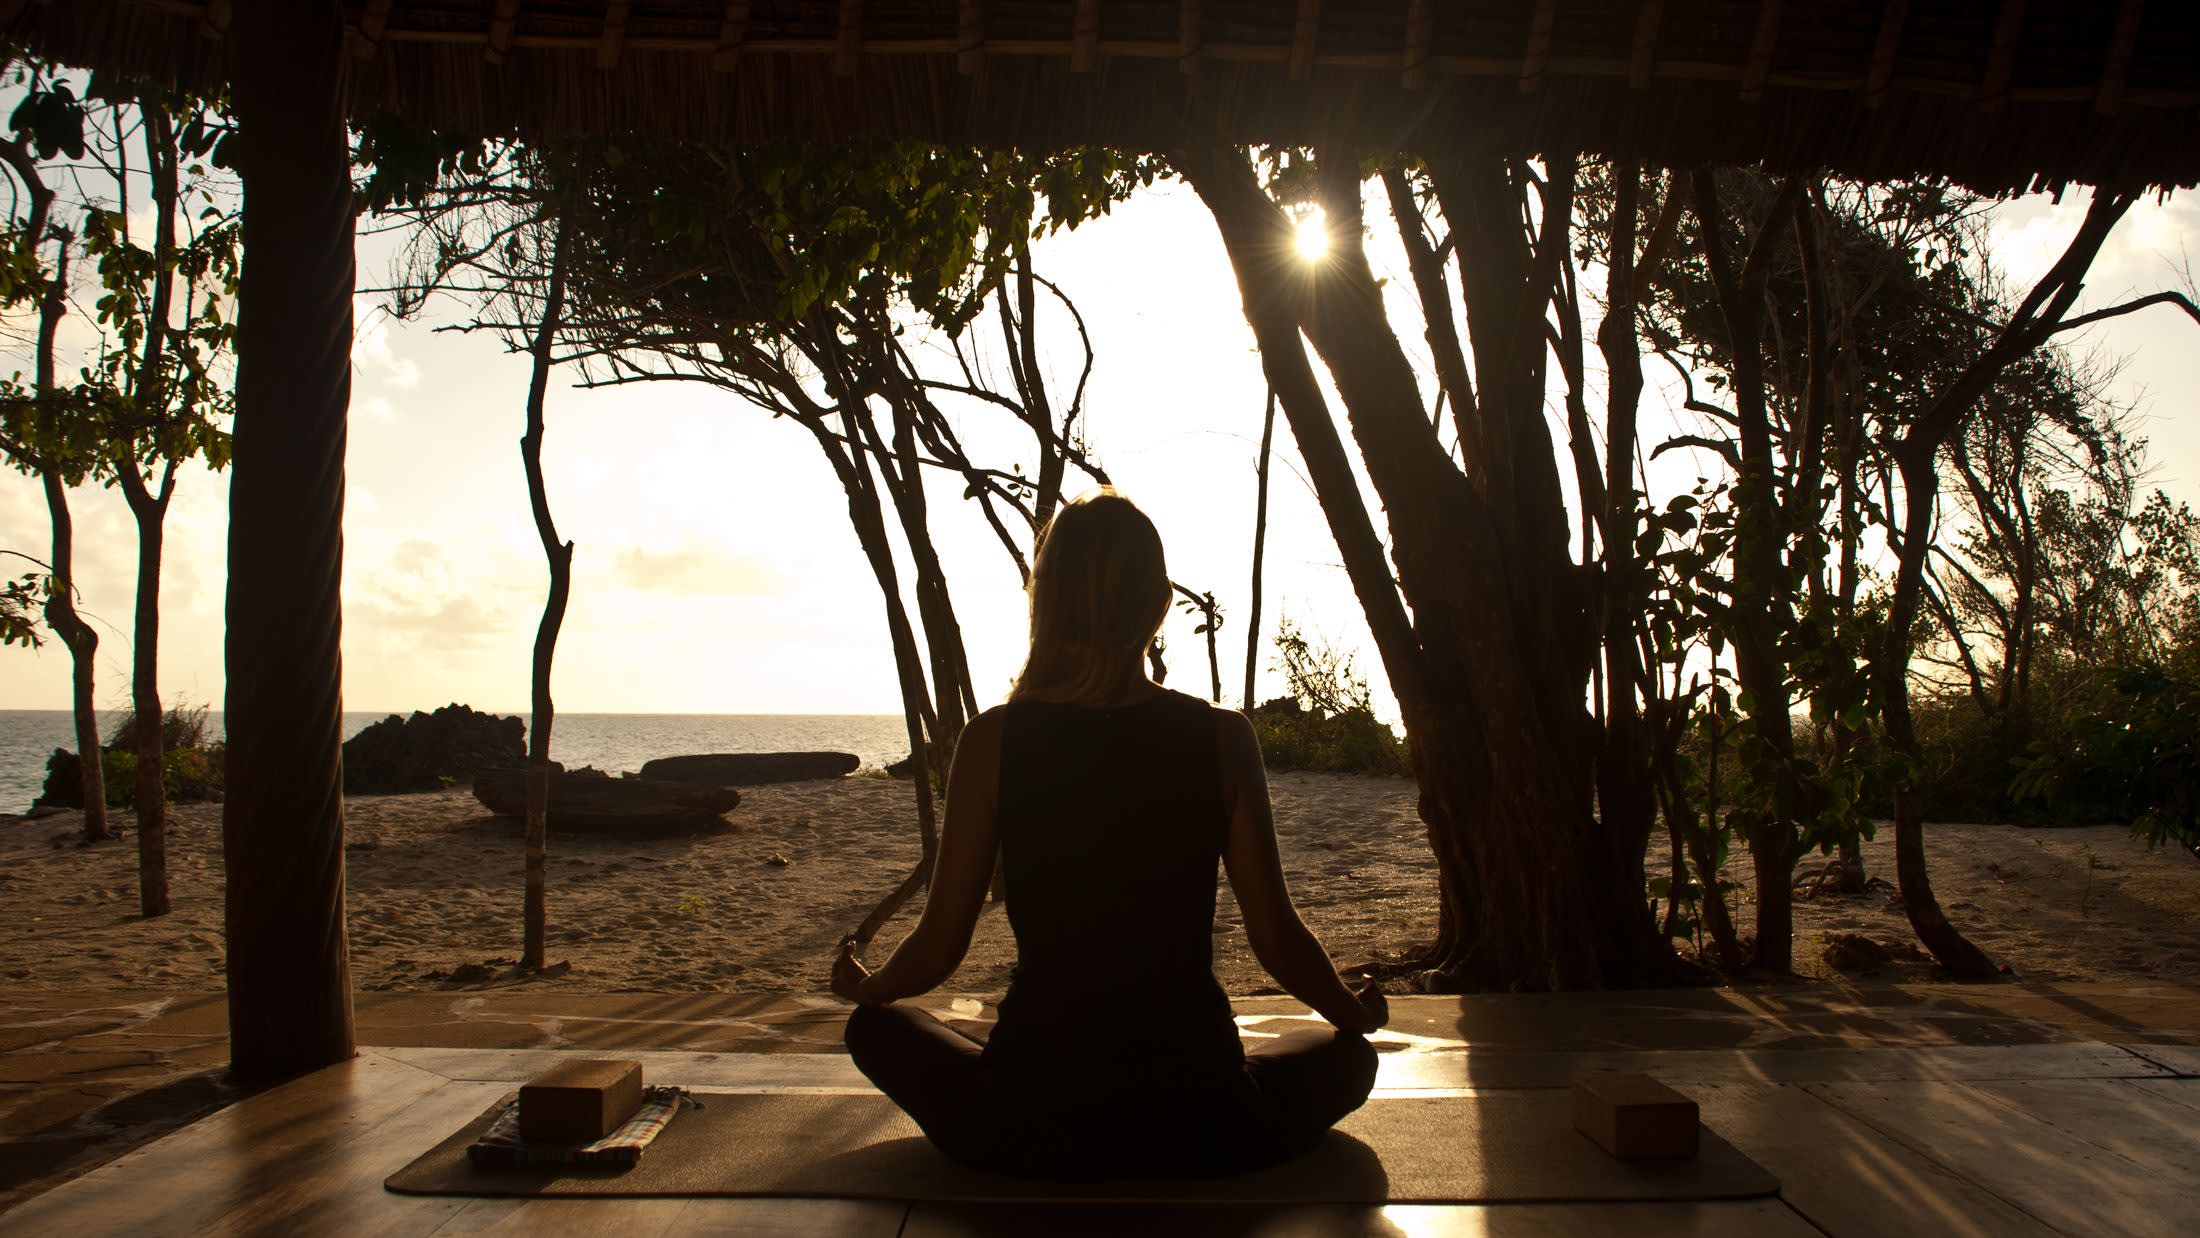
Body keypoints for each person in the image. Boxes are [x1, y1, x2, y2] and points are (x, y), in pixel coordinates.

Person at [833, 490, 1386, 1181]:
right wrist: (1349, 1010)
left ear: (1049, 602)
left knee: (875, 1030)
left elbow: (941, 945)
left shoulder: (992, 741)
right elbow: (1275, 937)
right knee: (1350, 1060)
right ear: (1157, 606)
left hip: (1026, 1123)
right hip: (1203, 1120)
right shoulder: (1222, 737)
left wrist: (870, 987)